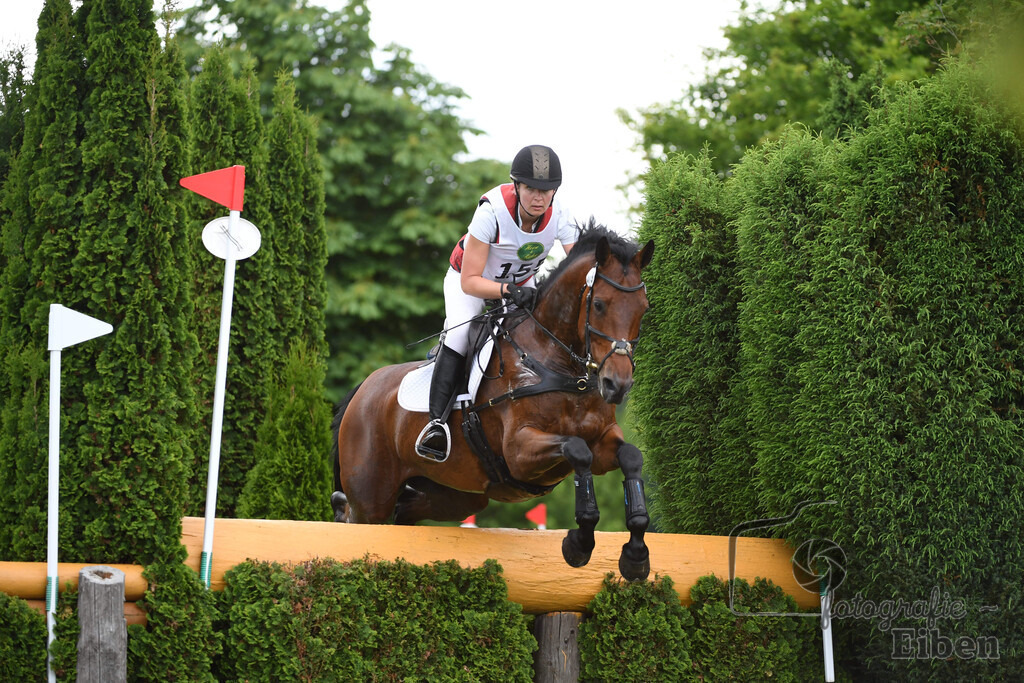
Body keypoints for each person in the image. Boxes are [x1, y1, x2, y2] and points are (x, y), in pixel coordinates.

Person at [415, 145, 577, 461]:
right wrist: (507, 291)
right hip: (471, 281)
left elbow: (583, 262)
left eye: (546, 190)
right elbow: (470, 281)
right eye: (531, 188)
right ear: (516, 186)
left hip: (520, 283)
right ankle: (436, 424)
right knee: (461, 336)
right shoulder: (491, 213)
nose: (539, 197)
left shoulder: (561, 217)